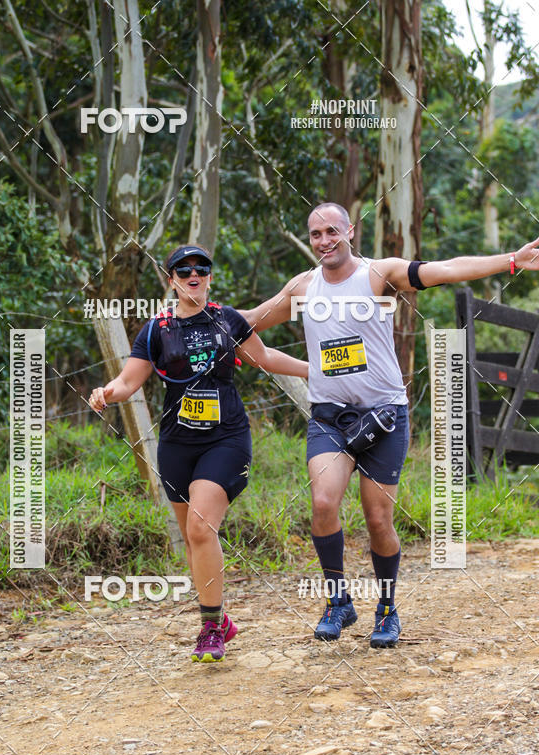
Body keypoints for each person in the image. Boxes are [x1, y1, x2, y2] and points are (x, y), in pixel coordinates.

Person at [241, 202, 539, 649]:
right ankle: (338, 601)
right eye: (316, 234)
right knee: (322, 502)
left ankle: (386, 608)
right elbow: (248, 321)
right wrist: (191, 313)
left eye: (332, 231)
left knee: (378, 520)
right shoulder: (303, 286)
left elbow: (446, 269)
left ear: (350, 231)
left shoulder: (378, 274)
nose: (324, 240)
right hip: (330, 417)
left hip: (384, 416)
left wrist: (512, 260)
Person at [89, 244, 308, 663]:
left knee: (202, 527)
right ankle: (220, 618)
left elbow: (263, 358)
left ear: (209, 276)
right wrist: (106, 393)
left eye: (201, 268)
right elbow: (128, 382)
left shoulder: (229, 319)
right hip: (176, 444)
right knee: (193, 537)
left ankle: (210, 628)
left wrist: (315, 369)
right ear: (171, 278)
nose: (193, 275)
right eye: (184, 269)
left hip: (226, 439)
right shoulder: (156, 329)